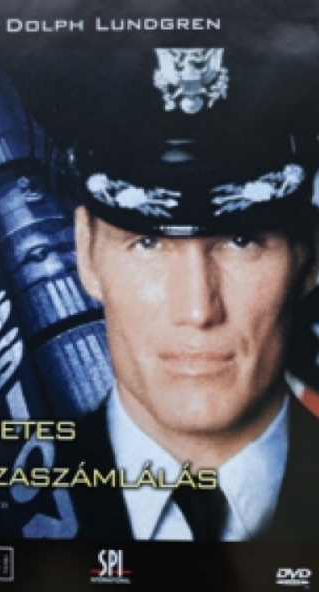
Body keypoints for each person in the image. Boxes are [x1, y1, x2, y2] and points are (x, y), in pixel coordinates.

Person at [59, 48, 319, 541]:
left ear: (311, 257)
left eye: (242, 240)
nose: (199, 309)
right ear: (86, 253)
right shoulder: (2, 508)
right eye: (148, 243)